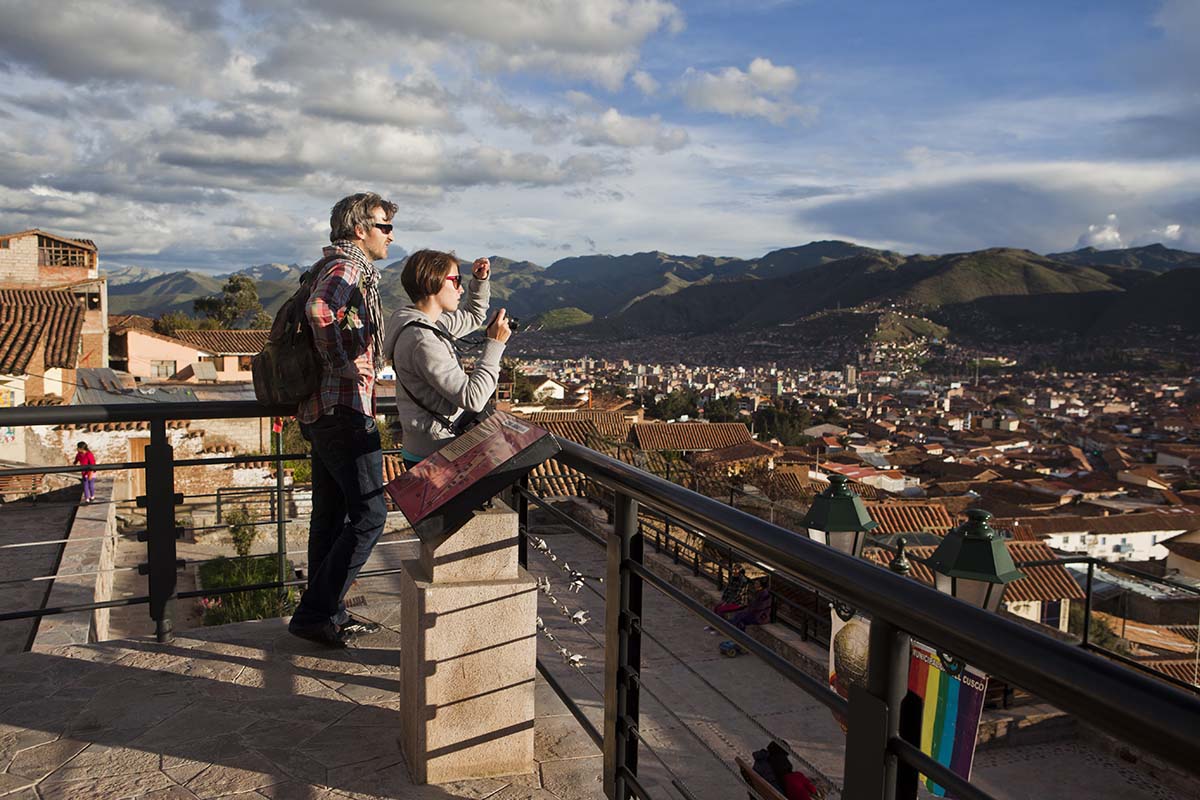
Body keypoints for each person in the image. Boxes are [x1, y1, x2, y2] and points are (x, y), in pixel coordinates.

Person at [287, 192, 397, 649]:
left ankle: (326, 613)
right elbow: (319, 312)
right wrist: (342, 365)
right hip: (344, 409)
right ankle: (315, 612)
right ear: (360, 229)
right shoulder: (348, 266)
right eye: (384, 226)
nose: (391, 235)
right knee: (372, 514)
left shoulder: (330, 266)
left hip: (320, 411)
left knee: (331, 517)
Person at [383, 249, 511, 470]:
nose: (461, 288)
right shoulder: (423, 340)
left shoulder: (424, 323)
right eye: (456, 280)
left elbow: (472, 317)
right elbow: (473, 399)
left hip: (424, 449)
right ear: (432, 282)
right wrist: (495, 345)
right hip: (434, 456)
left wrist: (480, 282)